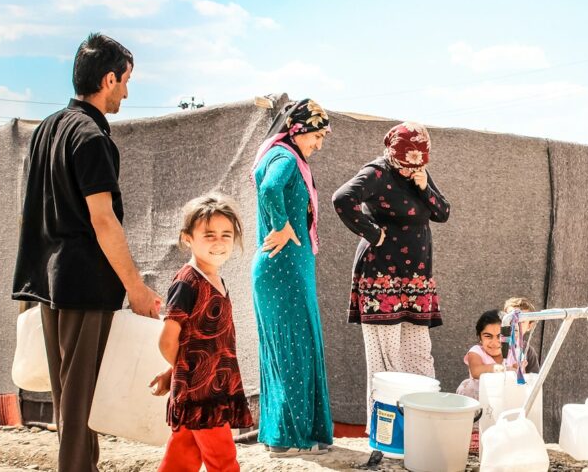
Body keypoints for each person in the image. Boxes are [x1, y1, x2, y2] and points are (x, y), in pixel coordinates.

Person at [11, 33, 161, 472]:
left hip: (50, 282)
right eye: (126, 82)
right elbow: (103, 219)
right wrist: (135, 287)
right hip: (82, 284)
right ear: (108, 78)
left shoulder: (49, 129)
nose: (127, 93)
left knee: (70, 402)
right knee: (80, 407)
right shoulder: (91, 136)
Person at [331, 121, 451, 423]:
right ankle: (383, 435)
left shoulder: (419, 172)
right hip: (381, 277)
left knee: (419, 354)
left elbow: (442, 213)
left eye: (418, 164)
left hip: (415, 279)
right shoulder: (377, 172)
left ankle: (422, 426)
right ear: (395, 154)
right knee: (386, 361)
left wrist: (424, 186)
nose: (412, 170)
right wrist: (373, 233)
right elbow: (342, 198)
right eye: (408, 165)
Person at [251, 98, 334, 455]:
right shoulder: (285, 157)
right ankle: (289, 439)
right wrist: (282, 226)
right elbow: (269, 189)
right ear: (299, 129)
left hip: (287, 269)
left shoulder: (284, 154)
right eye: (317, 135)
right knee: (292, 351)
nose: (319, 144)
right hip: (282, 269)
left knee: (292, 350)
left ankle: (292, 435)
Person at [150, 194, 253, 472]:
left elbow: (192, 342)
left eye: (226, 234)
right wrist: (184, 374)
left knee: (182, 456)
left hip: (207, 389)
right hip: (202, 396)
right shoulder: (188, 282)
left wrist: (174, 374)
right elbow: (168, 339)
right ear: (188, 238)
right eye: (209, 234)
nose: (218, 242)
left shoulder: (215, 279)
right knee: (222, 459)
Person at [455, 310, 519, 399]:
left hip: (503, 399)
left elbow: (520, 378)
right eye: (488, 336)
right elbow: (476, 371)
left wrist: (519, 369)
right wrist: (502, 369)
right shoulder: (476, 352)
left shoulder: (514, 353)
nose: (494, 342)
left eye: (500, 336)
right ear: (480, 337)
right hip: (478, 401)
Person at [501, 296, 541, 373]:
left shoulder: (528, 351)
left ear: (529, 326)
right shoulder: (494, 343)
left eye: (521, 321)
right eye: (510, 318)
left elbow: (533, 380)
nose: (515, 323)